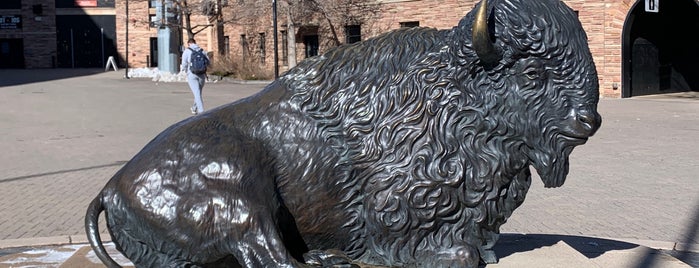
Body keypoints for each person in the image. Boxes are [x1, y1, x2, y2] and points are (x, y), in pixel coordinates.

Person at [180, 38, 210, 115]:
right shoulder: (202, 50)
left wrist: (185, 71)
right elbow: (208, 62)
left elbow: (184, 63)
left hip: (192, 74)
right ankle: (194, 108)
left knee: (197, 93)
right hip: (202, 74)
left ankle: (201, 111)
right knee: (198, 92)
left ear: (189, 44)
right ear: (195, 43)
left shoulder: (187, 51)